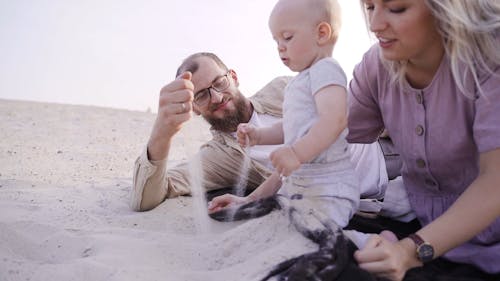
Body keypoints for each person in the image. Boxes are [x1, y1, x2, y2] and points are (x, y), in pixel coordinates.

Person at [130, 51, 395, 216]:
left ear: (233, 77)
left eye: (219, 83)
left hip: (383, 146)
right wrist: (162, 133)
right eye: (201, 95)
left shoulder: (282, 88)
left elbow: (343, 108)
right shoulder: (218, 157)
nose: (217, 97)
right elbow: (147, 197)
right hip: (371, 192)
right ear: (195, 109)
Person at [348, 0, 500, 280]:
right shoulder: (376, 64)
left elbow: (496, 180)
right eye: (369, 7)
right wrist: (265, 195)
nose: (375, 25)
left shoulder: (492, 53)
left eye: (396, 8)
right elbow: (328, 134)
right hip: (428, 234)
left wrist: (410, 251)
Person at [208, 0, 361, 231]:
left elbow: (335, 119)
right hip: (301, 186)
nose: (280, 47)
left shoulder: (325, 69)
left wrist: (296, 153)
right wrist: (259, 136)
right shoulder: (299, 82)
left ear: (321, 33)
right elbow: (291, 128)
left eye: (287, 37)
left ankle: (369, 242)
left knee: (318, 233)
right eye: (276, 41)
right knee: (285, 226)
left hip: (330, 187)